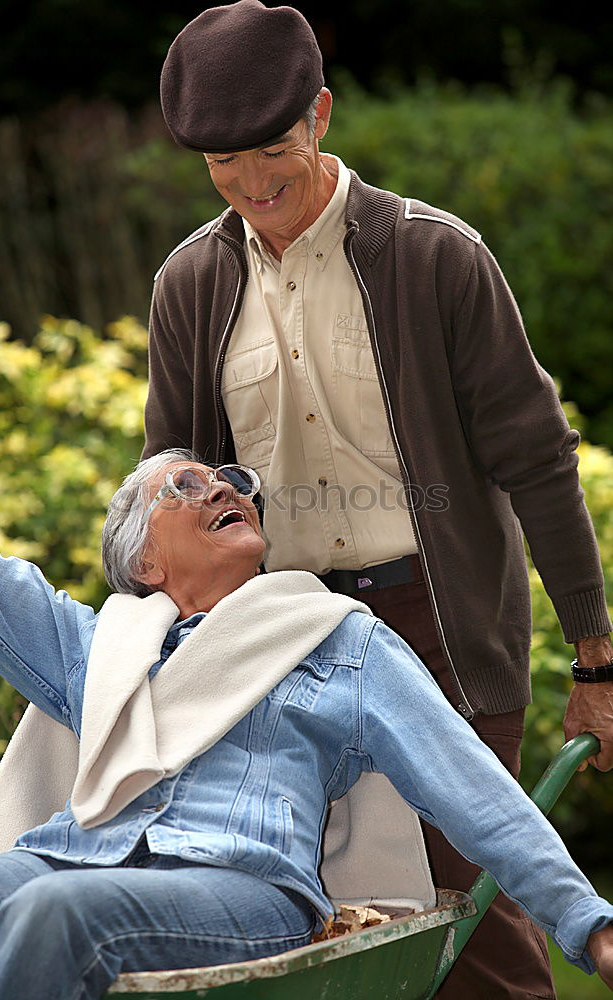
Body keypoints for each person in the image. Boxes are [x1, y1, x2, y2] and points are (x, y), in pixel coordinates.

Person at [141, 3, 613, 996]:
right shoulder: (188, 282)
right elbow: (171, 482)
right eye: (223, 163)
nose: (252, 182)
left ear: (319, 115)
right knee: (307, 915)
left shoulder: (434, 258)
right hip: (280, 640)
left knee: (464, 914)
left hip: (434, 624)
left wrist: (596, 657)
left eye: (271, 148)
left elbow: (535, 459)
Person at [0, 451, 612, 1000]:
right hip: (71, 861)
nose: (220, 488)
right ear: (143, 563)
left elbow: (476, 794)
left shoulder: (339, 644)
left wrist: (590, 925)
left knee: (51, 912)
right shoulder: (97, 651)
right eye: (184, 485)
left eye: (232, 481)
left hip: (240, 888)